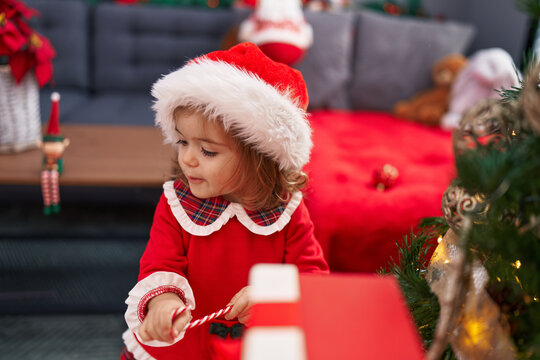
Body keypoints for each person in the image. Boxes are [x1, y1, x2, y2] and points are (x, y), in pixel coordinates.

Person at [121, 42, 329, 360]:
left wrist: (271, 296)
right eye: (182, 141)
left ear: (259, 157)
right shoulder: (176, 204)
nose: (188, 158)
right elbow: (159, 263)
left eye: (208, 150)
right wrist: (163, 302)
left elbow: (312, 278)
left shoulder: (288, 211)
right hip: (186, 347)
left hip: (257, 346)